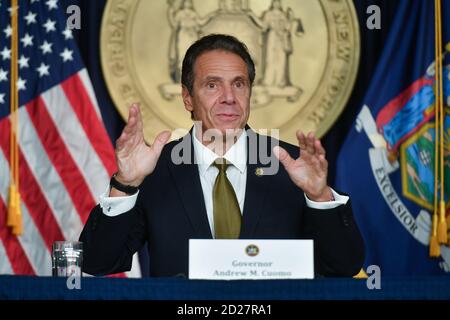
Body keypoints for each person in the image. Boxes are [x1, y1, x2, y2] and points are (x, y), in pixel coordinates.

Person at [80, 34, 364, 277]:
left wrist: (320, 197)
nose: (229, 97)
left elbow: (344, 266)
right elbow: (98, 262)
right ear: (188, 97)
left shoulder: (293, 166)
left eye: (239, 84)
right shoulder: (154, 171)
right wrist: (125, 184)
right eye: (212, 85)